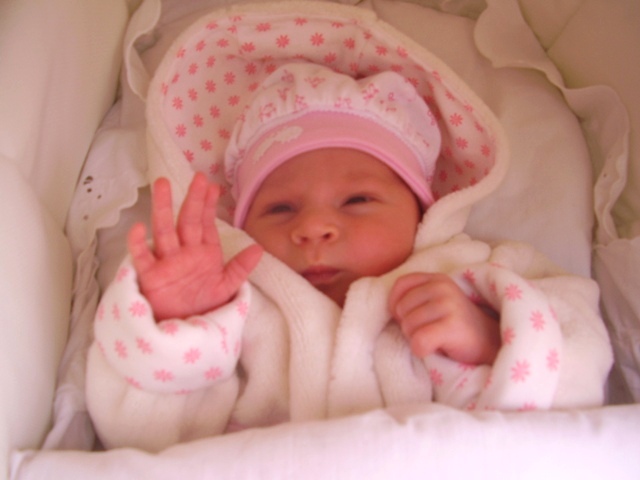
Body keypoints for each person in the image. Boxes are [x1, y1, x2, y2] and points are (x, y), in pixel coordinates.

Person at [86, 63, 612, 452]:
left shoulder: (471, 274)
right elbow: (144, 439)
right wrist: (181, 327)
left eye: (357, 200)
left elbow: (580, 376)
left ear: (423, 211)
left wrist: (488, 337)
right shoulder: (240, 306)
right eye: (279, 208)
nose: (312, 227)